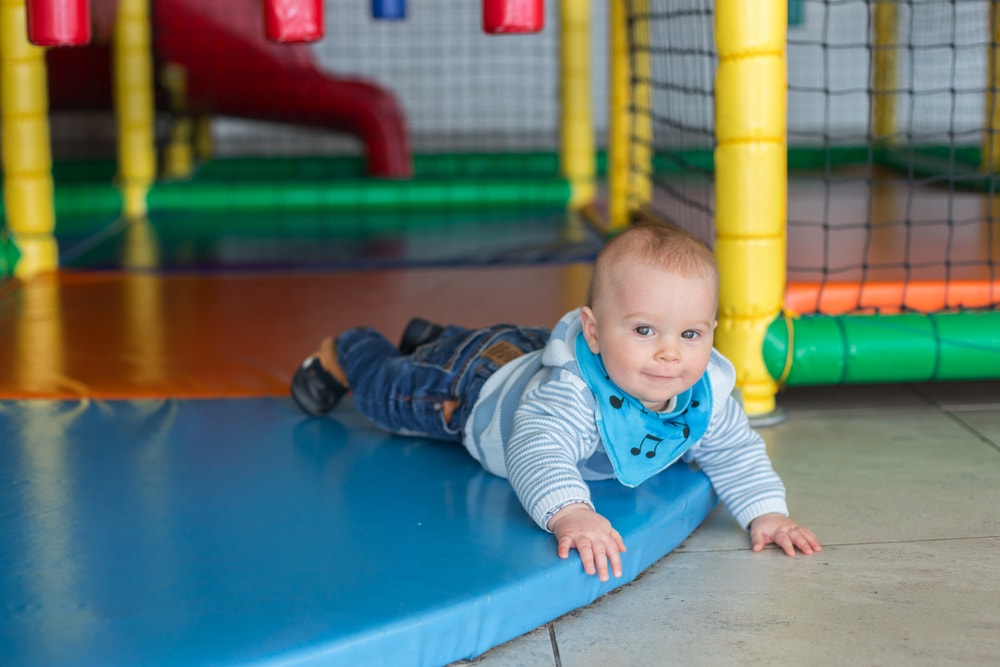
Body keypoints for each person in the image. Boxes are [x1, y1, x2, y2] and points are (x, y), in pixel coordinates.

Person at [291, 220, 821, 582]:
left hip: (524, 350)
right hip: (473, 387)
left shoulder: (702, 395)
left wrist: (767, 513)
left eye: (690, 335)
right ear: (592, 331)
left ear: (712, 331)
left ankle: (433, 336)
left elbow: (735, 451)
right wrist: (570, 512)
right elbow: (536, 448)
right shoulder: (572, 393)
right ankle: (351, 349)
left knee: (481, 346)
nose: (669, 355)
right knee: (389, 396)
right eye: (643, 330)